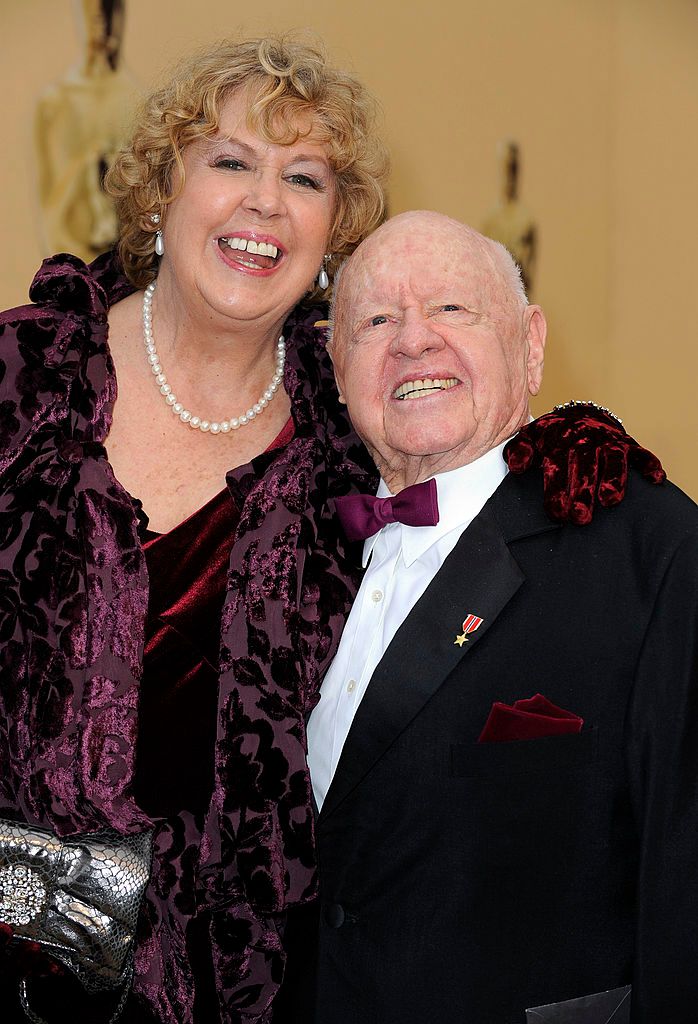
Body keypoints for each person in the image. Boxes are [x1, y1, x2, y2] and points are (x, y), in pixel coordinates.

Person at [0, 38, 662, 1024]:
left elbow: (472, 485)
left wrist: (566, 452)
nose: (264, 201)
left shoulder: (353, 433)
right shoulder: (25, 378)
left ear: (330, 236)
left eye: (302, 178)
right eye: (230, 161)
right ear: (158, 195)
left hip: (241, 988)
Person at [280, 211, 698, 1024]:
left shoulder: (651, 549)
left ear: (532, 344)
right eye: (375, 321)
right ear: (336, 372)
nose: (413, 341)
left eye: (452, 309)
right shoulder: (295, 557)